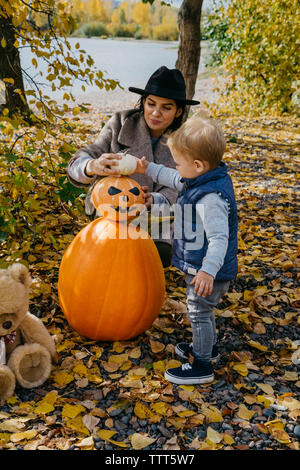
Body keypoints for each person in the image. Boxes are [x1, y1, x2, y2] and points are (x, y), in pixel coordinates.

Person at [134, 115, 238, 385]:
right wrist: (148, 167)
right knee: (200, 311)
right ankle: (207, 348)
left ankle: (201, 364)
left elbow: (218, 238)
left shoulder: (211, 197)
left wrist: (207, 271)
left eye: (179, 163)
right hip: (203, 267)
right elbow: (170, 177)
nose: (176, 168)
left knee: (198, 310)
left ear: (198, 165)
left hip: (209, 270)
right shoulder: (198, 179)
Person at [67, 66, 200, 267]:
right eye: (151, 103)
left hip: (157, 216)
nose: (156, 113)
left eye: (166, 107)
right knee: (112, 253)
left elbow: (185, 186)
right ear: (143, 102)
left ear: (178, 111)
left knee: (156, 256)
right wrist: (92, 165)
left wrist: (153, 199)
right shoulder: (120, 123)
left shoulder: (186, 142)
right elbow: (83, 158)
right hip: (112, 210)